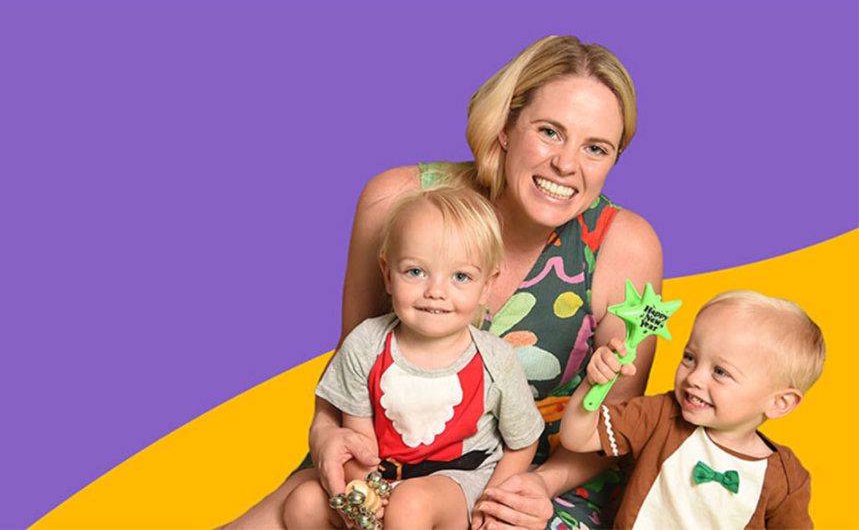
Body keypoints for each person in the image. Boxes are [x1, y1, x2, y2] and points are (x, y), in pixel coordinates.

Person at [222, 35, 663, 530]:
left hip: (537, 479)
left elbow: (619, 421)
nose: (566, 164)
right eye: (549, 132)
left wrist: (537, 485)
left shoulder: (625, 245)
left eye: (596, 148)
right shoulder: (397, 202)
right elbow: (354, 360)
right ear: (505, 127)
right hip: (384, 461)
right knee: (296, 508)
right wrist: (325, 432)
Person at [282, 187, 543, 529]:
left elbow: (523, 442)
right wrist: (366, 497)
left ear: (487, 285)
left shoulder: (497, 361)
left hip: (460, 480)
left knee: (409, 506)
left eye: (460, 277)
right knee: (302, 504)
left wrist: (491, 503)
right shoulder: (365, 345)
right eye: (416, 272)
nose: (435, 291)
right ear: (388, 273)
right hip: (383, 478)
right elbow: (360, 445)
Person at [560, 290, 825, 528]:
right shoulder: (660, 415)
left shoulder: (786, 479)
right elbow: (577, 437)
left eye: (720, 372)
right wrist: (595, 384)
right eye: (690, 358)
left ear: (779, 403)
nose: (694, 377)